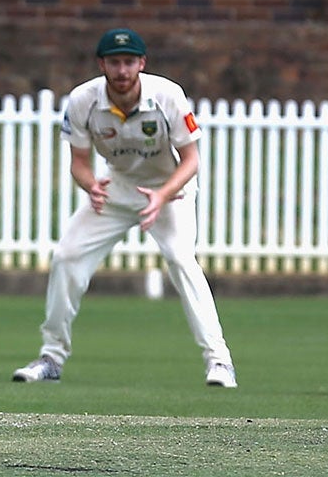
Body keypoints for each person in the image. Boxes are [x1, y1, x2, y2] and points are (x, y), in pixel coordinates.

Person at [13, 27, 237, 388]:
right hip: (116, 187)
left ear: (141, 64)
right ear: (102, 64)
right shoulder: (83, 100)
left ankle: (220, 362)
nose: (122, 71)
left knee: (182, 260)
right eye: (114, 62)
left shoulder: (167, 95)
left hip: (170, 189)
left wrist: (162, 196)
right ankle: (51, 357)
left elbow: (191, 159)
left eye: (129, 62)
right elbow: (80, 162)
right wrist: (90, 186)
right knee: (66, 257)